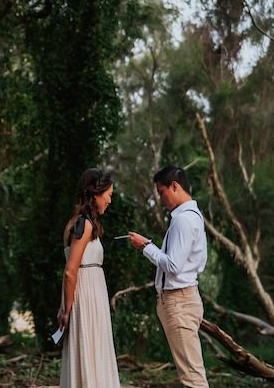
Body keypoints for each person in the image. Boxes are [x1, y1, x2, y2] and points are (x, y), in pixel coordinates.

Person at [128, 165, 209, 388]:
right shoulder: (192, 217)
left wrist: (145, 246)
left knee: (193, 378)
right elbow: (199, 262)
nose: (161, 198)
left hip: (179, 301)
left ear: (175, 186)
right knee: (191, 372)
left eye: (161, 192)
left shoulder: (184, 220)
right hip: (182, 298)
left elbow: (172, 265)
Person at [57, 168, 121, 388]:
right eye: (108, 195)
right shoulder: (83, 225)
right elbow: (70, 270)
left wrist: (63, 304)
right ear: (96, 194)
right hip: (86, 299)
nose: (110, 201)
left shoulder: (79, 223)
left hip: (90, 295)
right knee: (89, 348)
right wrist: (66, 308)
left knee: (92, 350)